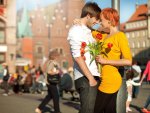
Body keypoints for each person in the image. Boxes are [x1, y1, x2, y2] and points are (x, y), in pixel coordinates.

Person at [94, 8, 132, 113]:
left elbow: (128, 61)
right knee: (109, 110)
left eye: (101, 20)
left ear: (110, 21)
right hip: (104, 78)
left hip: (110, 80)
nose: (100, 22)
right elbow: (90, 32)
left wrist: (105, 61)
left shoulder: (120, 36)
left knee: (96, 110)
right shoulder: (104, 36)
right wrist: (80, 23)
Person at [67, 2, 101, 113]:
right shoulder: (76, 30)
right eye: (96, 19)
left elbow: (106, 29)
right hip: (86, 78)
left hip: (92, 76)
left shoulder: (88, 31)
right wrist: (91, 78)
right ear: (88, 16)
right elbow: (77, 56)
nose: (97, 22)